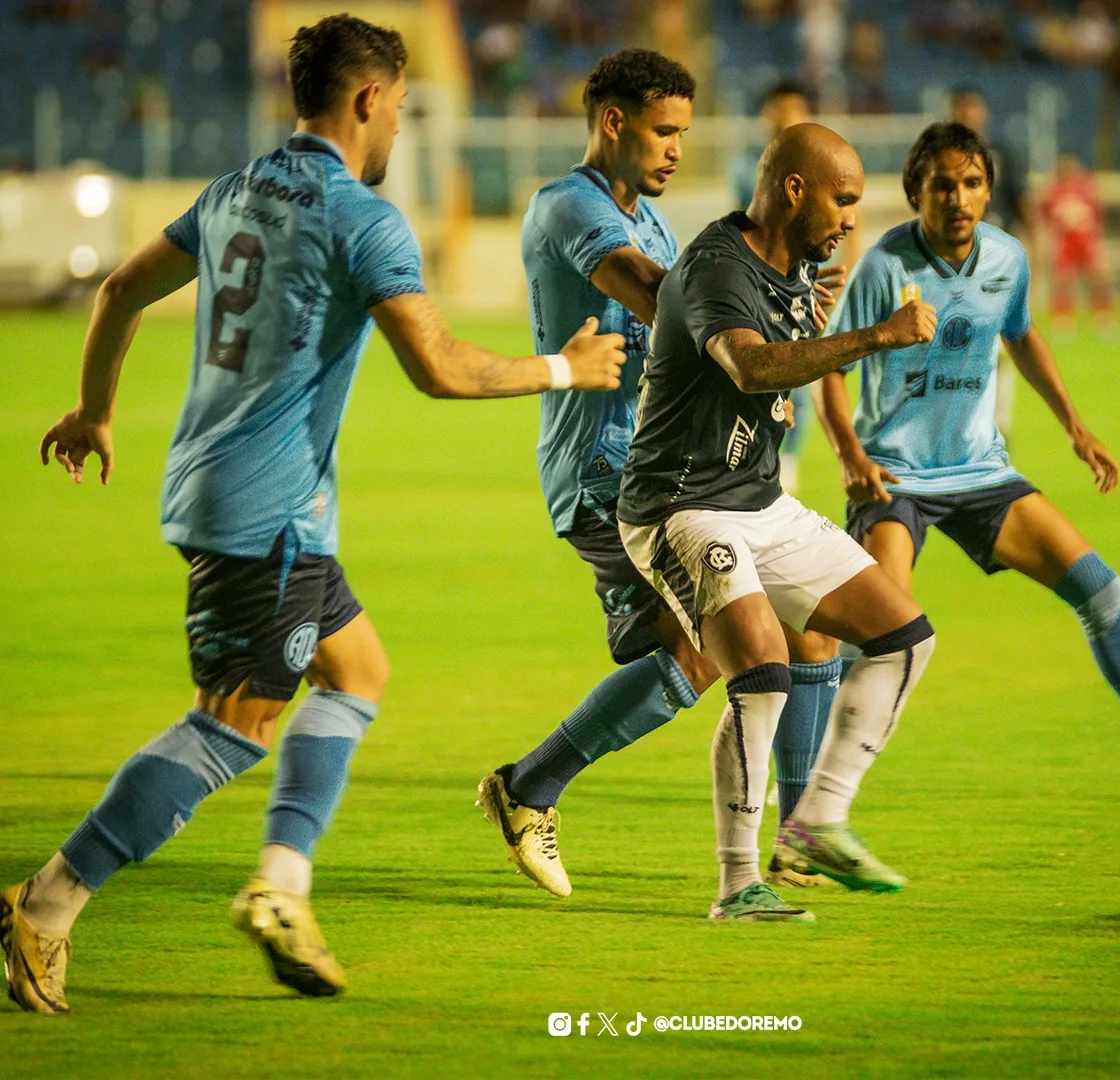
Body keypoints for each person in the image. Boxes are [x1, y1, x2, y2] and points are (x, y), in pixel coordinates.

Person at [1, 14, 625, 1015]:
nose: (399, 131)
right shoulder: (361, 217)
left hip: (218, 487)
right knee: (234, 724)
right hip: (270, 514)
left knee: (357, 670)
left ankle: (283, 887)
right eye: (403, 110)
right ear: (371, 100)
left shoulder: (233, 189)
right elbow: (440, 367)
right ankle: (47, 902)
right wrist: (566, 366)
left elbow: (118, 288)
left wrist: (94, 410)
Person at [478, 50, 841, 900]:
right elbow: (661, 300)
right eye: (664, 130)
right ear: (613, 123)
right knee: (708, 649)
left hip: (679, 475)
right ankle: (531, 785)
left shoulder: (657, 223)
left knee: (811, 627)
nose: (678, 147)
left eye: (683, 130)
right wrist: (766, 312)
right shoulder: (570, 206)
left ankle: (796, 837)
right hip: (607, 477)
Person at [814, 121, 1120, 801]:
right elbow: (830, 370)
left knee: (1101, 588)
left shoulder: (1007, 259)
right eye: (943, 186)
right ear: (916, 194)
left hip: (982, 473)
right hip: (897, 477)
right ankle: (809, 799)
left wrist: (1075, 427)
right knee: (880, 632)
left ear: (989, 190)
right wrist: (850, 456)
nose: (959, 199)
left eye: (972, 184)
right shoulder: (884, 266)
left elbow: (1022, 337)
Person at [618, 123, 943, 922]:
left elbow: (779, 366)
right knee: (761, 666)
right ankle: (737, 885)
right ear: (793, 189)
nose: (850, 220)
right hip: (681, 504)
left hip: (756, 500)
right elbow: (748, 364)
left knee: (906, 636)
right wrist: (872, 338)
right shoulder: (717, 266)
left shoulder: (794, 268)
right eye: (842, 199)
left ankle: (817, 823)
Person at [731, 79, 849, 494]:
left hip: (817, 285)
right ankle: (762, 455)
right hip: (771, 284)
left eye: (794, 111)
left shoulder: (827, 162)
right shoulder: (749, 165)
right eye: (779, 112)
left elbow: (849, 216)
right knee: (769, 364)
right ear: (767, 117)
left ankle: (788, 461)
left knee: (809, 367)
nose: (786, 119)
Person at [948, 87, 1033, 437]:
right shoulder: (938, 158)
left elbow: (1023, 204)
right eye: (962, 108)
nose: (969, 114)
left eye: (974, 108)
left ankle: (999, 426)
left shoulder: (1003, 155)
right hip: (954, 266)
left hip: (997, 266)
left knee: (1003, 346)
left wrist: (1033, 260)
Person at [1039, 154, 1116, 335]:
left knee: (1098, 278)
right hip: (1065, 243)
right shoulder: (1053, 190)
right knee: (1063, 280)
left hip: (1086, 242)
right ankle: (1063, 318)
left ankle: (1103, 316)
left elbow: (1098, 215)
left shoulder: (1087, 188)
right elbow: (1045, 215)